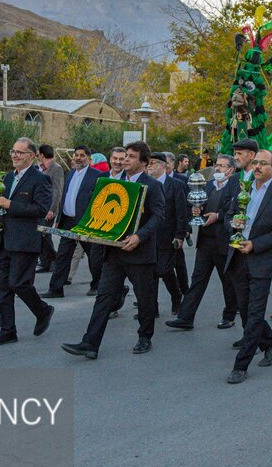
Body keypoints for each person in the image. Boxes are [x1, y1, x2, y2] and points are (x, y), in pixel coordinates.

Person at [61, 140, 166, 359]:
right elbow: (98, 211)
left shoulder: (153, 185)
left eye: (131, 156)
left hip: (139, 253)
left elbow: (158, 217)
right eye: (125, 155)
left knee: (145, 298)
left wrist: (139, 236)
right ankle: (90, 343)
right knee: (104, 297)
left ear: (144, 162)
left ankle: (145, 336)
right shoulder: (111, 183)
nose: (126, 160)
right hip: (113, 252)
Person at [224, 149, 272, 384]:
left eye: (263, 163)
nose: (258, 167)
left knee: (254, 314)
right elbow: (229, 215)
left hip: (261, 259)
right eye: (255, 162)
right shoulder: (243, 188)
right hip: (237, 257)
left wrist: (255, 244)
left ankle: (240, 365)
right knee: (244, 311)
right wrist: (233, 223)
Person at [0, 137, 55, 347]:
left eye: (20, 152)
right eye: (13, 151)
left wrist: (9, 204)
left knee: (18, 283)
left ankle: (42, 310)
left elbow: (41, 210)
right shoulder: (6, 178)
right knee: (3, 289)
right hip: (4, 239)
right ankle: (7, 330)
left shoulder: (40, 179)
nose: (14, 155)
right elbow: (0, 205)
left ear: (32, 156)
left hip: (25, 240)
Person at [167, 154, 239, 331]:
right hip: (206, 240)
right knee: (198, 279)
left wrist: (219, 216)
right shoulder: (208, 186)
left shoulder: (236, 187)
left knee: (227, 281)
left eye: (222, 166)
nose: (218, 168)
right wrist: (196, 210)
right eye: (217, 165)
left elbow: (236, 210)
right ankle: (186, 317)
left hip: (224, 240)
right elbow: (198, 204)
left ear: (231, 170)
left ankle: (229, 315)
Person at [45, 145, 102, 298]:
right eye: (76, 155)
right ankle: (56, 288)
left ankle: (98, 285)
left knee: (94, 255)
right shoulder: (70, 174)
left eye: (82, 155)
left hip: (86, 223)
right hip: (68, 222)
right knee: (63, 255)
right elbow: (65, 196)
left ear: (88, 158)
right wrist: (59, 218)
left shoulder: (96, 175)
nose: (78, 158)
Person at [147, 152, 190, 317]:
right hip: (150, 236)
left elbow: (181, 211)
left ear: (163, 166)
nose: (150, 165)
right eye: (149, 162)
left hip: (169, 235)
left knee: (164, 269)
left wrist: (180, 235)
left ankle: (176, 295)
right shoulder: (147, 184)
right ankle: (152, 308)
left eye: (154, 162)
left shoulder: (176, 185)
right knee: (150, 273)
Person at [35, 144, 65, 274]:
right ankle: (46, 261)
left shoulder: (56, 169)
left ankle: (53, 259)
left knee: (44, 235)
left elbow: (57, 190)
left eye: (37, 155)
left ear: (42, 154)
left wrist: (52, 209)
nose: (37, 157)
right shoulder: (39, 168)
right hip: (39, 207)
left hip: (49, 209)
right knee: (40, 235)